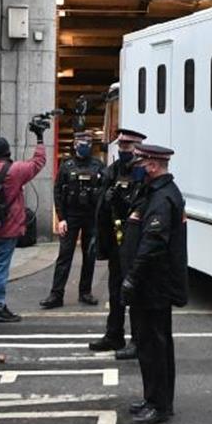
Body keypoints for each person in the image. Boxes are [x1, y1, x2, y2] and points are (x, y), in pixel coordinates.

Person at [120, 144, 188, 424]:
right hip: (150, 283)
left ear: (153, 165)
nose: (137, 165)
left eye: (142, 161)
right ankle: (154, 399)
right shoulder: (154, 192)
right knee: (150, 344)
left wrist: (132, 277)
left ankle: (159, 405)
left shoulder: (163, 198)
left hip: (153, 283)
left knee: (155, 346)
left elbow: (153, 243)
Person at [0, 130, 47, 322]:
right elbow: (38, 162)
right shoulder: (16, 170)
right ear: (7, 152)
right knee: (1, 268)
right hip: (8, 227)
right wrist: (39, 139)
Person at [88, 128, 147, 355]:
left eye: (128, 147)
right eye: (121, 146)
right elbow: (100, 203)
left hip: (133, 242)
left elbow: (143, 204)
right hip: (115, 240)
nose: (124, 150)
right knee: (115, 291)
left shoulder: (141, 173)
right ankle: (114, 335)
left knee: (134, 292)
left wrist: (124, 201)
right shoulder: (112, 170)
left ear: (137, 148)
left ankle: (138, 341)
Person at [42, 131, 106, 309]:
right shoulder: (66, 165)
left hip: (91, 217)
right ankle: (56, 294)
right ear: (75, 144)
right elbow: (58, 192)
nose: (85, 145)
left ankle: (85, 292)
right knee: (65, 256)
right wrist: (61, 219)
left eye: (88, 142)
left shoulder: (98, 166)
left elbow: (104, 192)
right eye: (81, 141)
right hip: (71, 217)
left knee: (90, 255)